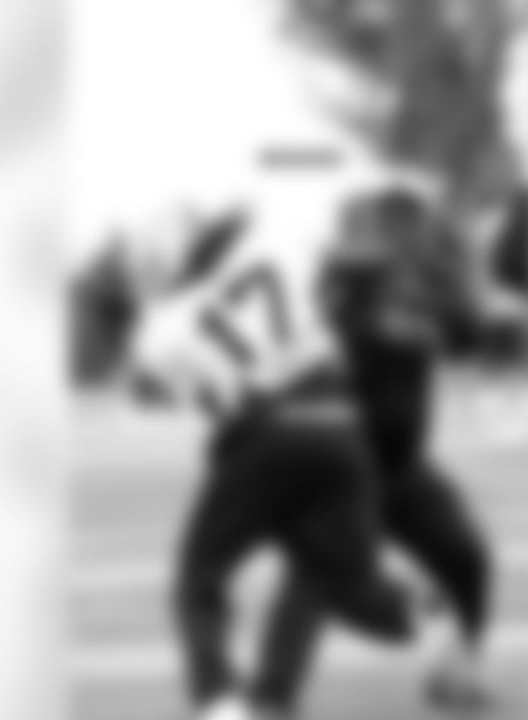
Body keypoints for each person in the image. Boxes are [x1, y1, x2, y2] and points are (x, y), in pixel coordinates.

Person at [106, 174, 425, 720]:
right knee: (328, 574)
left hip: (265, 434)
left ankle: (220, 703)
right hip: (341, 427)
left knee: (198, 581)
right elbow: (347, 276)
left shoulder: (161, 329)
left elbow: (160, 395)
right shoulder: (277, 239)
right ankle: (405, 624)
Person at [246, 186, 528, 719]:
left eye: (415, 223)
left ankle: (457, 671)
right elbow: (345, 317)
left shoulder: (432, 284)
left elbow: (470, 332)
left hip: (400, 464)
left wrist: (484, 300)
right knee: (316, 575)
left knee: (465, 555)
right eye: (396, 222)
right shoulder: (348, 282)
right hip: (339, 463)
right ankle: (270, 700)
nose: (412, 233)